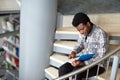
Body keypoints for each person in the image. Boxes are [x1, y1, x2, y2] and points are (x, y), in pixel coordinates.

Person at [59, 12, 109, 80]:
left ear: (88, 24)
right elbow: (79, 44)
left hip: (98, 65)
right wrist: (74, 52)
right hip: (83, 60)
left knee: (77, 72)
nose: (81, 32)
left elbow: (101, 57)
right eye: (79, 30)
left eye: (82, 29)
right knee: (62, 69)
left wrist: (84, 63)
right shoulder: (82, 32)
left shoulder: (101, 34)